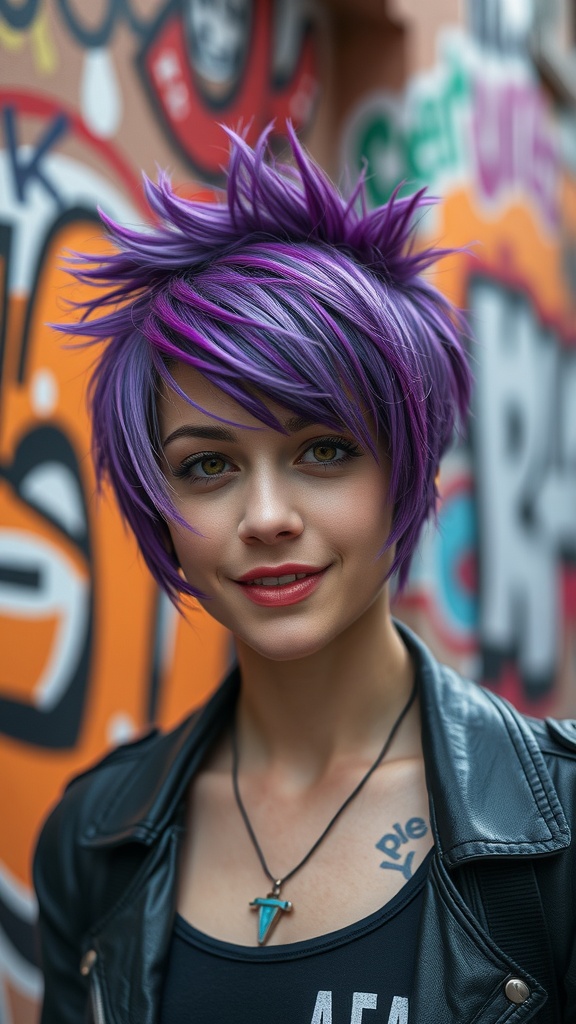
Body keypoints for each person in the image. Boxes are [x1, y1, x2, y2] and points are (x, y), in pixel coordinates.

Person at [34, 124, 576, 1024]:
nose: (267, 517)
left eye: (324, 450)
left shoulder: (553, 829)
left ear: (407, 468)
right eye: (207, 465)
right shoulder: (94, 843)